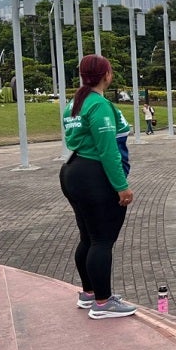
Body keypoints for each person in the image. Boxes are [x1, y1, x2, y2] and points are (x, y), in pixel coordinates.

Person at [59, 54, 137, 319]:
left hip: (73, 170)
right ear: (107, 75)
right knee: (102, 241)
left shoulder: (75, 103)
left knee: (89, 238)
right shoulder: (99, 105)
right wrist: (121, 186)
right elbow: (108, 151)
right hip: (93, 174)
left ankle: (89, 293)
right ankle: (103, 303)